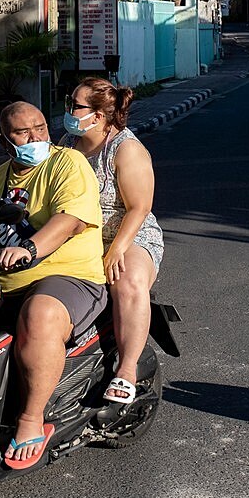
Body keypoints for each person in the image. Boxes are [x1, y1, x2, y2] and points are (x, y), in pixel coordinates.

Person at [0, 101, 106, 469]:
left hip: (70, 277)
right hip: (8, 281)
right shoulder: (2, 174)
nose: (36, 137)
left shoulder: (67, 163)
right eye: (23, 132)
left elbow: (71, 219)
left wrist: (29, 248)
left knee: (39, 314)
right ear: (4, 141)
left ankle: (31, 418)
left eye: (41, 128)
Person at [58, 77, 164, 407]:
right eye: (69, 103)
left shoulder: (126, 149)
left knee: (127, 281)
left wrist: (117, 248)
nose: (69, 111)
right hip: (80, 236)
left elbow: (140, 207)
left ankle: (127, 369)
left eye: (76, 106)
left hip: (129, 235)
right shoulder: (68, 143)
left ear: (100, 116)